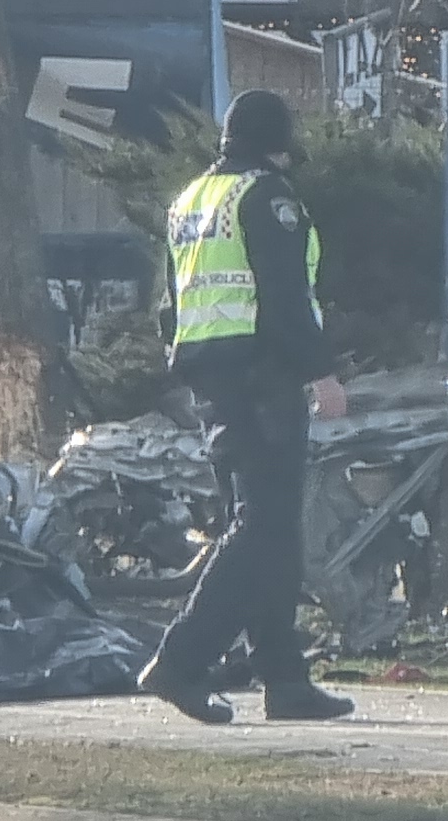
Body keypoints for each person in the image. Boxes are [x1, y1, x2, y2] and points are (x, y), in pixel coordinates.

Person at [135, 89, 357, 725]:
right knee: (261, 526)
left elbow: (168, 305)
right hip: (264, 379)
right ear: (277, 140)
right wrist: (322, 374)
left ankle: (283, 679)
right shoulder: (268, 197)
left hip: (213, 378)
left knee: (270, 531)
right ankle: (180, 659)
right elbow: (285, 297)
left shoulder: (190, 201)